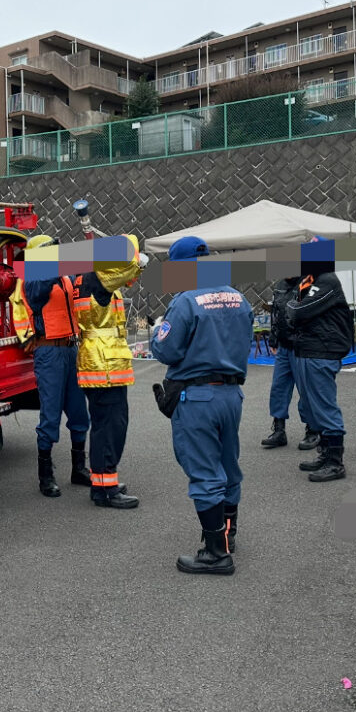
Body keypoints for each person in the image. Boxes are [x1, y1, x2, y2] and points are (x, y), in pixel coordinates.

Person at [150, 236, 252, 575]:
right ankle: (228, 533)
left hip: (197, 397)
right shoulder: (238, 297)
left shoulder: (186, 301)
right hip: (231, 394)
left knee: (204, 471)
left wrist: (155, 332)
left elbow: (166, 350)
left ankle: (216, 553)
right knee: (228, 465)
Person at [11, 234, 91, 498]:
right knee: (51, 416)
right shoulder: (32, 278)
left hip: (70, 349)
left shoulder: (64, 276)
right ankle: (45, 476)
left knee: (80, 414)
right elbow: (38, 294)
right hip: (49, 352)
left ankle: (79, 469)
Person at [74, 235, 144, 510]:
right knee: (111, 426)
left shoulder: (87, 277)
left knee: (106, 424)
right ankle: (106, 489)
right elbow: (127, 269)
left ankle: (103, 482)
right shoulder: (98, 278)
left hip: (100, 363)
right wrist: (135, 254)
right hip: (103, 365)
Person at [287, 262, 354, 482]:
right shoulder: (309, 280)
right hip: (307, 348)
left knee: (324, 405)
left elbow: (297, 310)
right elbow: (292, 309)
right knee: (312, 405)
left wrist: (291, 308)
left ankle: (335, 462)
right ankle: (326, 454)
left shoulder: (326, 280)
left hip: (322, 350)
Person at [259, 275, 314, 450]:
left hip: (302, 346)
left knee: (305, 389)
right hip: (283, 346)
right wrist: (274, 338)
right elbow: (276, 313)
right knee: (278, 388)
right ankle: (279, 430)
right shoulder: (280, 285)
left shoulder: (309, 283)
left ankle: (312, 430)